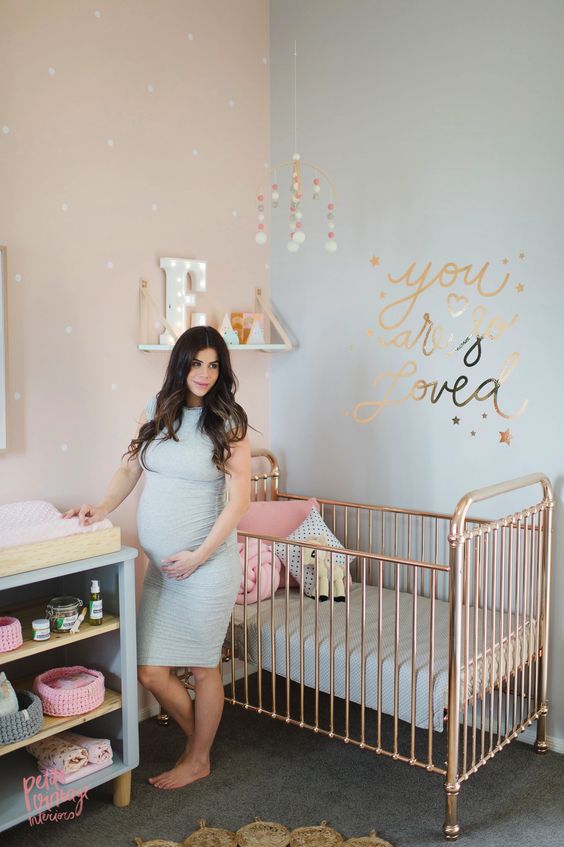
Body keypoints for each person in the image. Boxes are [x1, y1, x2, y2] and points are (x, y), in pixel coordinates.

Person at [63, 326, 250, 790]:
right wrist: (102, 507)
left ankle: (198, 757)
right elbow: (129, 467)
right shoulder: (157, 408)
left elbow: (239, 503)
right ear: (180, 364)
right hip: (163, 573)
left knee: (204, 667)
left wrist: (198, 557)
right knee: (149, 671)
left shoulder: (228, 421)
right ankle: (198, 741)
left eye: (214, 365)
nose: (205, 373)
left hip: (207, 567)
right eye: (196, 363)